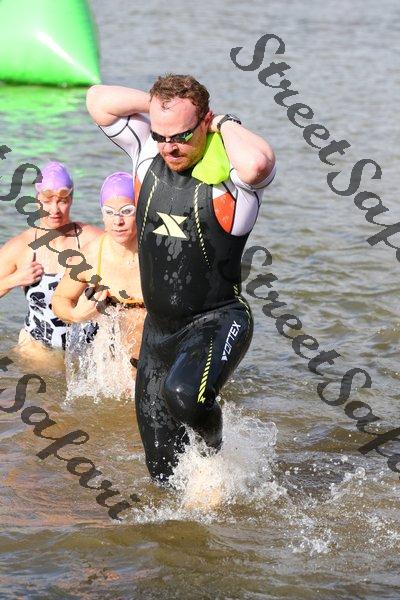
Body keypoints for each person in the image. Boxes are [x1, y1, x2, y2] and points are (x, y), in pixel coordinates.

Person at [86, 74, 276, 483]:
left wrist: (224, 122)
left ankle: (217, 463)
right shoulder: (145, 153)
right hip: (159, 334)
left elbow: (258, 164)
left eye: (181, 136)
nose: (169, 147)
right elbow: (98, 99)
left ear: (205, 122)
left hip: (217, 320)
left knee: (185, 397)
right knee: (161, 474)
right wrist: (159, 108)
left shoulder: (231, 183)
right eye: (161, 135)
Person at [0, 161, 100, 361]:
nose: (54, 209)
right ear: (37, 200)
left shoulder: (92, 240)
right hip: (37, 351)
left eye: (62, 201)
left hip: (86, 351)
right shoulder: (22, 246)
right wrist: (14, 279)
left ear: (71, 200)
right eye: (47, 201)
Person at [52, 172, 145, 369]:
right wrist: (76, 315)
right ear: (102, 215)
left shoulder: (160, 252)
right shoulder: (91, 257)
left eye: (127, 211)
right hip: (116, 368)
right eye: (109, 212)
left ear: (141, 210)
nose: (117, 221)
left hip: (157, 359)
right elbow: (60, 299)